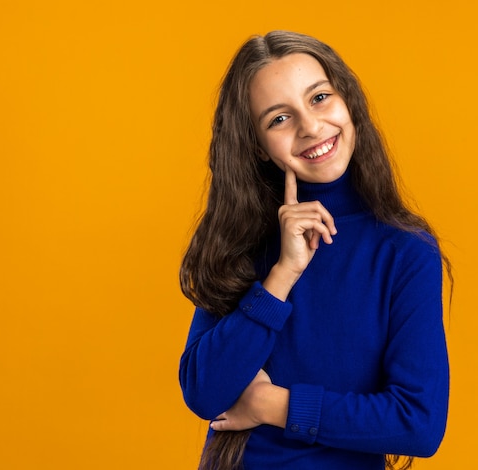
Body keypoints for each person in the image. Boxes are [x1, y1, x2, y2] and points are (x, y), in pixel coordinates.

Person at [179, 30, 451, 470]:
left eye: (319, 97)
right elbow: (205, 393)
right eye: (279, 119)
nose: (310, 127)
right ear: (259, 147)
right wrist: (282, 275)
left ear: (348, 103)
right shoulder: (245, 243)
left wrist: (271, 405)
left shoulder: (404, 252)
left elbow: (417, 423)